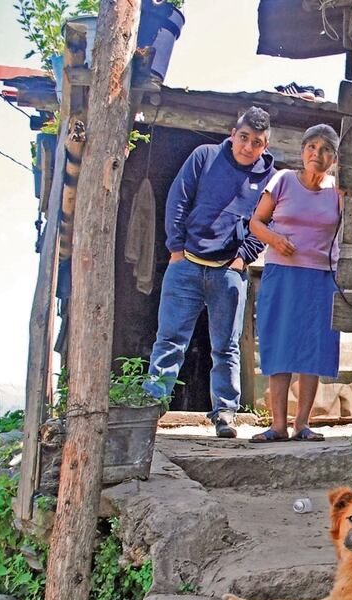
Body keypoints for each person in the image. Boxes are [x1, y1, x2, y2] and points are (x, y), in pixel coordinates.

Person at [143, 107, 276, 438]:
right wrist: (175, 249)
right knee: (170, 340)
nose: (247, 147)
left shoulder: (268, 180)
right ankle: (149, 410)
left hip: (227, 272)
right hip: (185, 264)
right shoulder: (204, 157)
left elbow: (267, 223)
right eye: (243, 138)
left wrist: (244, 257)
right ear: (233, 134)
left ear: (265, 144)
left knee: (226, 347)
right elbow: (178, 201)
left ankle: (225, 414)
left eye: (256, 142)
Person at [247, 124, 342, 442]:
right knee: (281, 345)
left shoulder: (338, 192)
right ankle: (277, 425)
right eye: (312, 147)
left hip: (321, 277)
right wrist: (275, 238)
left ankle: (302, 423)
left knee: (313, 348)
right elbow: (255, 222)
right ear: (302, 151)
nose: (318, 154)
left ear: (334, 158)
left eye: (326, 149)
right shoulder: (283, 180)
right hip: (282, 275)